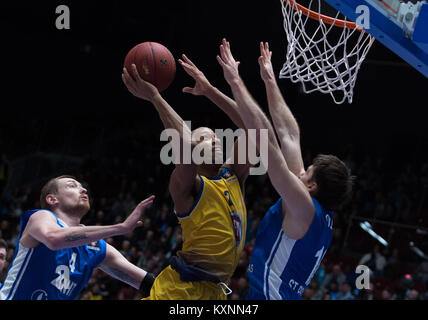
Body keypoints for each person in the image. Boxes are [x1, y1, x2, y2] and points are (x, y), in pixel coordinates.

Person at [215, 39, 354, 300]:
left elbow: (265, 141)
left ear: (311, 187)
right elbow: (289, 134)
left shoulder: (303, 206)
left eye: (307, 172)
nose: (301, 171)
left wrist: (235, 80)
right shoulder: (313, 211)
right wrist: (269, 79)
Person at [122, 53, 253, 299]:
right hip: (179, 290)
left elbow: (253, 127)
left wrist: (211, 91)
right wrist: (154, 97)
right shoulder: (188, 186)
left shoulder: (234, 175)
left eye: (216, 137)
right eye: (204, 138)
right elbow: (184, 144)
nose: (214, 141)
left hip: (215, 293)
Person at [0, 175, 156, 300]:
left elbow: (145, 282)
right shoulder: (41, 217)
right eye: (72, 185)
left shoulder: (97, 248)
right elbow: (53, 239)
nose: (83, 190)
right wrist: (119, 228)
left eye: (83, 187)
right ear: (52, 199)